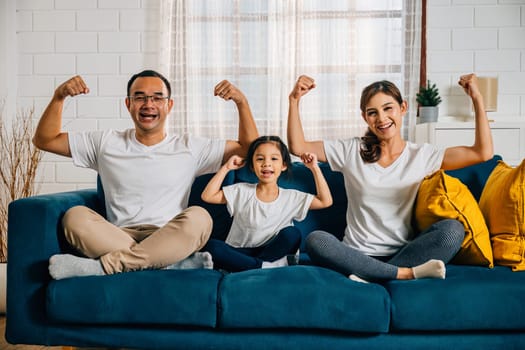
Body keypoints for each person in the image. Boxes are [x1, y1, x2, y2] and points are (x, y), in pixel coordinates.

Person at [33, 69, 259, 280]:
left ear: (169, 105)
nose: (148, 104)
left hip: (169, 236)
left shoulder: (190, 146)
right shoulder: (104, 142)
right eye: (139, 97)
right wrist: (59, 97)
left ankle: (103, 267)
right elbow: (45, 140)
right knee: (75, 217)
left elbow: (250, 149)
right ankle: (170, 263)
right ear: (128, 104)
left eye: (157, 98)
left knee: (200, 218)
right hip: (115, 237)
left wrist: (242, 102)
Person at [287, 73, 493, 282]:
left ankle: (371, 275)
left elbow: (482, 152)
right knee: (316, 240)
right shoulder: (351, 150)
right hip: (357, 254)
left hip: (405, 254)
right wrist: (294, 100)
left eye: (388, 108)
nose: (382, 119)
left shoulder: (422, 155)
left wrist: (477, 98)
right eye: (373, 113)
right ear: (365, 117)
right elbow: (298, 146)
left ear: (402, 108)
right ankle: (401, 275)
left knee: (453, 230)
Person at [200, 135, 333, 272]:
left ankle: (247, 266)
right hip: (241, 251)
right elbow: (208, 196)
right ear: (252, 166)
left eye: (274, 159)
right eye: (260, 159)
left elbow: (325, 201)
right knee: (212, 246)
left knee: (292, 234)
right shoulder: (241, 190)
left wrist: (314, 168)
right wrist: (226, 168)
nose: (266, 163)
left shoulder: (291, 196)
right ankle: (263, 266)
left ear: (284, 165)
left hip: (273, 251)